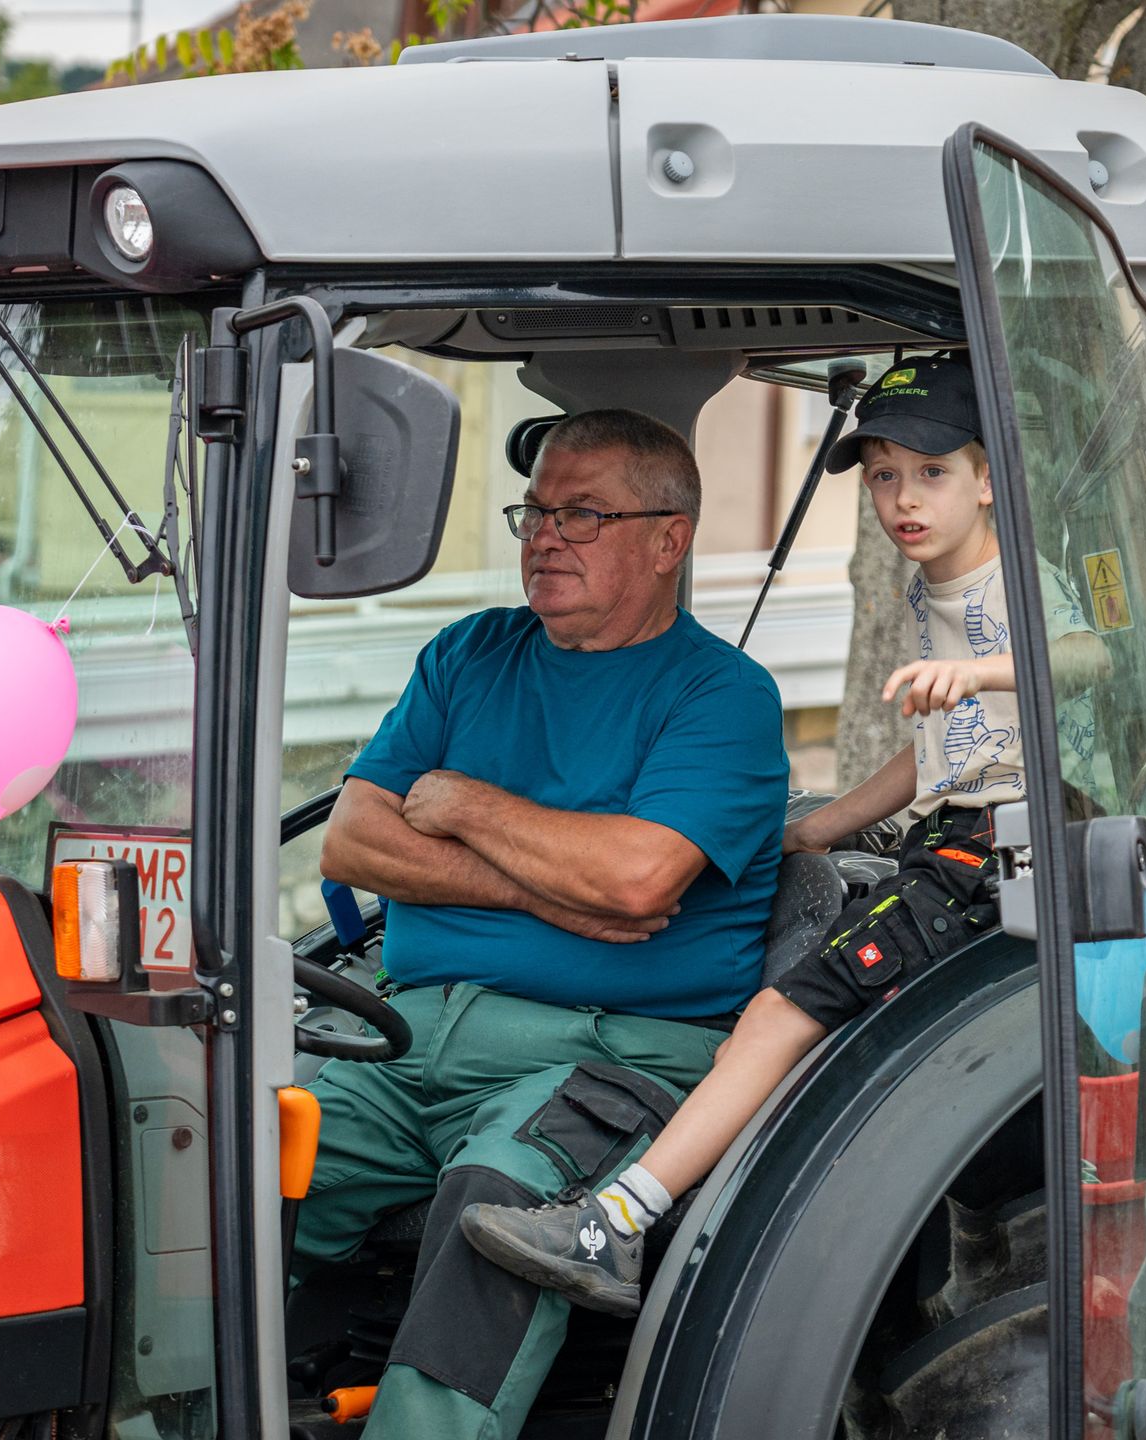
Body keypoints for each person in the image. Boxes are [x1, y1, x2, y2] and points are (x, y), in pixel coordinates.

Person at [459, 354, 1109, 1317]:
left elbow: (1090, 657)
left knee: (779, 1016)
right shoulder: (929, 585)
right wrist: (818, 831)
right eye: (883, 475)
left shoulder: (1009, 578)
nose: (902, 499)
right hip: (962, 833)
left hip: (1015, 846)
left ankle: (612, 1229)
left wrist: (983, 674)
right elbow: (938, 754)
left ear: (988, 478)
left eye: (931, 472)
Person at [301, 408, 789, 1440]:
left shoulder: (723, 696)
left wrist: (462, 803)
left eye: (583, 514)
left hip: (606, 1059)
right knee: (216, 1147)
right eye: (534, 512)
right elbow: (352, 845)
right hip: (403, 1038)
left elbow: (635, 880)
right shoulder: (470, 653)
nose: (543, 538)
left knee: (502, 1204)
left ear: (670, 539)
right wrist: (533, 888)